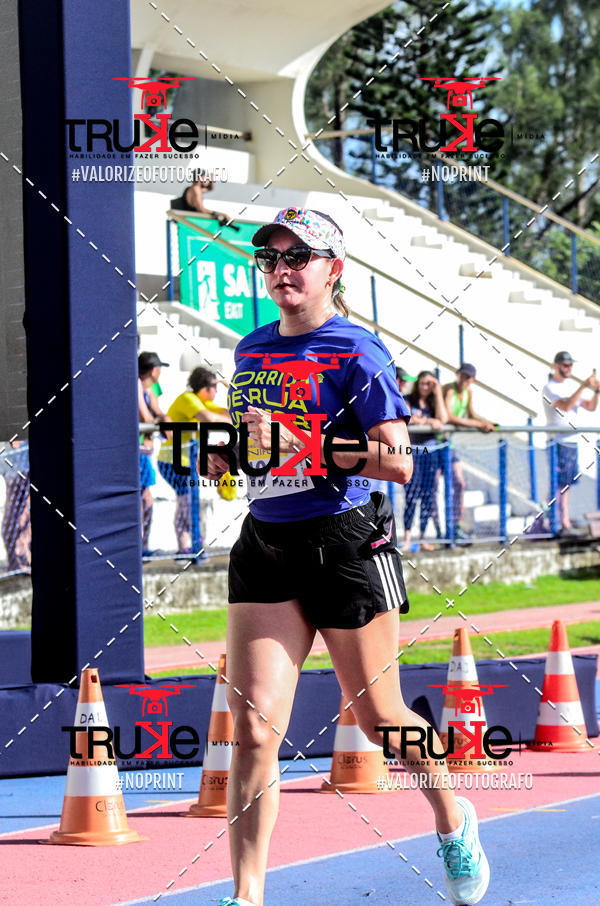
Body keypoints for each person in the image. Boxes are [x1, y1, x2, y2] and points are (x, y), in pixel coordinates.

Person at [203, 207, 490, 906]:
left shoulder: (358, 351)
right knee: (252, 729)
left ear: (332, 269)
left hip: (346, 543)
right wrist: (229, 457)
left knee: (380, 720)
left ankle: (453, 818)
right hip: (266, 544)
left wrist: (302, 447)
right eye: (269, 258)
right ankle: (246, 897)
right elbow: (256, 450)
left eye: (296, 257)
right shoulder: (250, 350)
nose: (281, 270)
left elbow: (399, 461)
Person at [158, 366, 231, 553]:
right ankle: (185, 547)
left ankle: (189, 546)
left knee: (188, 501)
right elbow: (208, 419)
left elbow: (230, 415)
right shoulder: (188, 399)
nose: (216, 392)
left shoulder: (200, 402)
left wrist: (231, 390)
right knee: (186, 502)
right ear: (205, 388)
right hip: (172, 461)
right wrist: (218, 419)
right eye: (215, 387)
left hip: (185, 461)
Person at [542, 351, 600, 532]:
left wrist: (596, 391)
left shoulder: (570, 388)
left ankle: (561, 520)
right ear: (556, 366)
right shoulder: (549, 388)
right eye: (565, 365)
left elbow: (590, 406)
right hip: (558, 442)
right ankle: (556, 521)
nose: (568, 369)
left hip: (571, 442)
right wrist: (583, 385)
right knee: (559, 484)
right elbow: (566, 406)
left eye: (570, 365)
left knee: (566, 484)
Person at [442, 364, 495, 540]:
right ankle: (441, 530)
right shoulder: (449, 390)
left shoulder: (468, 393)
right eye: (463, 376)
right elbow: (449, 417)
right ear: (458, 375)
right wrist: (479, 425)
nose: (465, 380)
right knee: (431, 490)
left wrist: (486, 423)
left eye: (468, 378)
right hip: (435, 442)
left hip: (447, 444)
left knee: (460, 483)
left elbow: (471, 415)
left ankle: (455, 526)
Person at [403, 371, 448, 550]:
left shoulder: (432, 401)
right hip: (413, 452)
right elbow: (408, 418)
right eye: (422, 383)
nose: (425, 387)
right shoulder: (408, 399)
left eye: (429, 384)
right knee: (411, 495)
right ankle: (407, 538)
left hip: (431, 454)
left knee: (428, 496)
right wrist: (429, 421)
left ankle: (422, 538)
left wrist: (438, 392)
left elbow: (442, 419)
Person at [138, 351, 169, 554]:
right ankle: (141, 548)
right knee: (144, 502)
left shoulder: (150, 387)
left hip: (144, 452)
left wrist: (163, 421)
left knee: (146, 501)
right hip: (137, 452)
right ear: (153, 370)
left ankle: (143, 547)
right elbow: (147, 418)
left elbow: (156, 413)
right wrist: (160, 423)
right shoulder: (137, 384)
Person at [0, 441, 31, 572]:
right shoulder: (4, 447)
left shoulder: (26, 446)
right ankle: (15, 565)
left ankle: (25, 561)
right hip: (14, 484)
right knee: (7, 527)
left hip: (27, 482)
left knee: (23, 524)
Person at [170, 174, 239, 231]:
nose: (207, 180)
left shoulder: (193, 188)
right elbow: (201, 209)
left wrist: (211, 180)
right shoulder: (196, 189)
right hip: (187, 222)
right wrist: (223, 214)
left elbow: (210, 189)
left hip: (185, 221)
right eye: (205, 177)